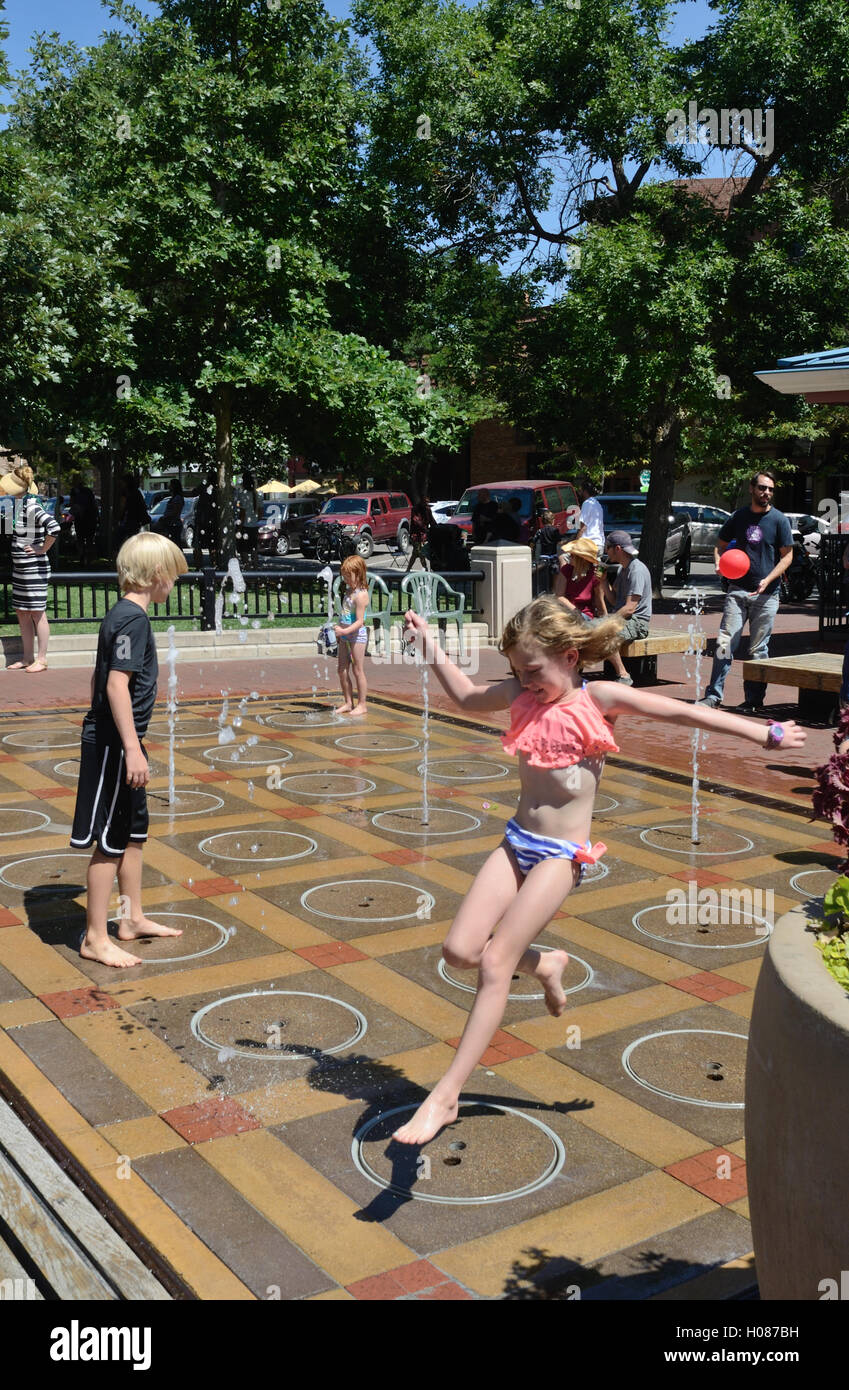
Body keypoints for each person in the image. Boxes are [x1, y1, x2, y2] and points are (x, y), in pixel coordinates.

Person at [392, 595, 806, 1145]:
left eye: (533, 670)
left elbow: (683, 713)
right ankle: (545, 963)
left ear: (569, 656)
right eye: (517, 671)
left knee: (494, 964)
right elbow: (468, 697)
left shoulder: (600, 698)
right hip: (516, 843)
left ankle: (445, 1098)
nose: (524, 680)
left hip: (562, 858)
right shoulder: (521, 694)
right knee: (459, 952)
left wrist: (762, 734)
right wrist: (430, 646)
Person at [69, 532, 189, 967]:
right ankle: (95, 937)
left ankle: (131, 918)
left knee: (134, 833)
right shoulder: (133, 620)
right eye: (173, 576)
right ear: (156, 575)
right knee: (111, 840)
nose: (174, 584)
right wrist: (132, 749)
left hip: (123, 741)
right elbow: (115, 684)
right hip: (114, 745)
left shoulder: (124, 615)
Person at [698, 471, 793, 713]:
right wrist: (719, 564)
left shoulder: (780, 520)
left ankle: (753, 701)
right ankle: (713, 695)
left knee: (758, 650)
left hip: (767, 594)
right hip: (737, 591)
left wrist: (769, 579)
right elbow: (719, 546)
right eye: (762, 488)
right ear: (752, 488)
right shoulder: (738, 517)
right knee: (724, 643)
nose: (767, 493)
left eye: (771, 489)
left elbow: (788, 556)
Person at [4, 465, 61, 673]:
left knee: (37, 612)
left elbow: (54, 527)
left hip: (34, 569)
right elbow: (11, 532)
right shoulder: (15, 504)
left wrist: (41, 549)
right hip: (20, 569)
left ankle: (42, 659)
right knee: (22, 611)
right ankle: (28, 658)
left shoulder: (32, 505)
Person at [592, 530, 652, 682]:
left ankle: (623, 675)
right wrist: (604, 581)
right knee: (587, 628)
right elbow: (614, 600)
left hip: (637, 621)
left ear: (617, 549)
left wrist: (608, 621)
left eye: (607, 548)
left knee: (605, 633)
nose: (606, 552)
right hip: (625, 618)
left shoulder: (636, 570)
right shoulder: (622, 569)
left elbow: (630, 607)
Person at [334, 554, 369, 717]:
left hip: (357, 636)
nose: (346, 579)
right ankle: (348, 702)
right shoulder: (349, 591)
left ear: (359, 574)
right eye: (344, 576)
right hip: (345, 635)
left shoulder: (361, 595)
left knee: (357, 670)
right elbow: (346, 614)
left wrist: (344, 631)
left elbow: (360, 621)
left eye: (349, 576)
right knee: (341, 669)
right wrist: (339, 629)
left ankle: (362, 704)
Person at [553, 536, 599, 619]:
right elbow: (559, 596)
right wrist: (575, 611)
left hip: (585, 616)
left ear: (582, 559)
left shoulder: (594, 574)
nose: (570, 556)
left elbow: (599, 602)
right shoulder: (566, 569)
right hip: (566, 613)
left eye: (572, 555)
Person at [70, 476, 99, 565]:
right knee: (89, 538)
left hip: (80, 518)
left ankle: (82, 555)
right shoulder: (88, 491)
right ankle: (89, 557)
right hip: (90, 518)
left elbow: (72, 504)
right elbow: (94, 504)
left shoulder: (74, 491)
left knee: (80, 539)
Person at [116, 474, 150, 547]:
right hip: (136, 521)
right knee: (133, 540)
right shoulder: (137, 492)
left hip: (129, 521)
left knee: (120, 540)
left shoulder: (126, 493)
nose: (121, 484)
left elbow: (123, 506)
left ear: (126, 482)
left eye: (122, 482)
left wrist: (119, 518)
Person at [193, 471, 219, 568]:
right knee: (213, 545)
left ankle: (198, 568)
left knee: (198, 545)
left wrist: (180, 492)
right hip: (213, 520)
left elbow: (193, 493)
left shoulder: (204, 487)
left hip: (202, 520)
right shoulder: (217, 489)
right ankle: (214, 565)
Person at [574, 476, 605, 551]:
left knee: (563, 556)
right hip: (599, 544)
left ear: (585, 491)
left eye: (580, 490)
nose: (579, 492)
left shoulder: (587, 503)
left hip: (589, 545)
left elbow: (582, 527)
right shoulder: (597, 504)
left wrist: (575, 543)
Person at [406, 496, 434, 573]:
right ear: (421, 502)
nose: (426, 505)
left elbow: (432, 520)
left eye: (427, 504)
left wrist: (437, 528)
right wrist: (424, 528)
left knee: (417, 552)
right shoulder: (415, 509)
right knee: (418, 551)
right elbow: (416, 521)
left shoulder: (428, 509)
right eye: (425, 503)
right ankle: (425, 568)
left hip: (424, 535)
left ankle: (409, 569)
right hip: (415, 535)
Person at [153, 479, 185, 546]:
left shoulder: (177, 498)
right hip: (171, 524)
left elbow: (175, 512)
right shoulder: (174, 498)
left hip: (174, 524)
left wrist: (165, 518)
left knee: (175, 544)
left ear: (174, 486)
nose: (169, 486)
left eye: (170, 485)